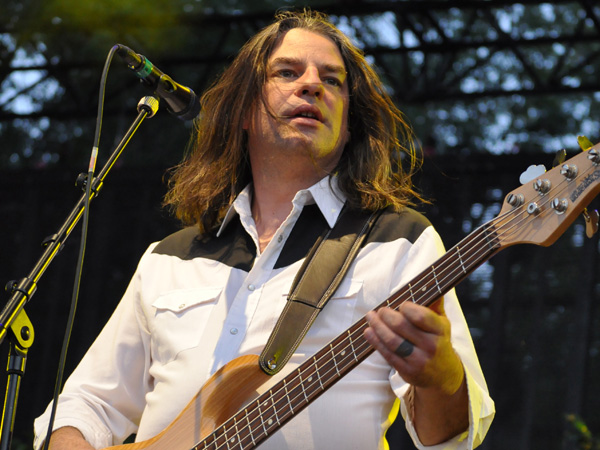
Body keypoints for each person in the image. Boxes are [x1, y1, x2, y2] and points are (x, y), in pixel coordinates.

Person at [34, 9, 495, 450]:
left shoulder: (399, 243)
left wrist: (442, 377)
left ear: (349, 126)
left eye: (332, 80)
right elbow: (88, 401)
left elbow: (455, 438)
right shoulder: (169, 257)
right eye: (287, 73)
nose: (312, 85)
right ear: (243, 109)